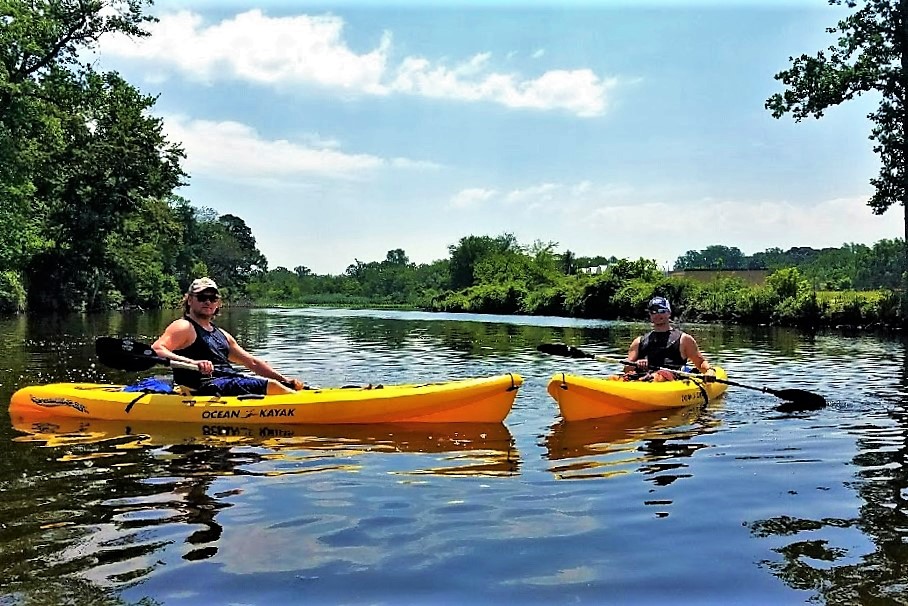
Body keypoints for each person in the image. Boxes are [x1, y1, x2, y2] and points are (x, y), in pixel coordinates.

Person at [152, 277, 304, 395]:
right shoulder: (184, 326)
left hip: (225, 383)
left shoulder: (222, 334)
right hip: (203, 387)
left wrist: (285, 380)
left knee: (278, 384)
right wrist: (193, 362)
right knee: (272, 386)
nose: (208, 301)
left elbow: (252, 363)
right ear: (190, 300)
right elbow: (157, 349)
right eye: (202, 297)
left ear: (218, 303)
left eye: (212, 298)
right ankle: (301, 406)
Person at [621, 296, 717, 382]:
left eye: (662, 311)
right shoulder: (638, 341)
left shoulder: (684, 339)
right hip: (643, 376)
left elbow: (700, 363)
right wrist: (636, 364)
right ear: (650, 315)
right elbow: (627, 369)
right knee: (620, 378)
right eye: (653, 312)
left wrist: (710, 370)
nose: (657, 315)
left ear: (669, 313)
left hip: (668, 378)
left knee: (658, 376)